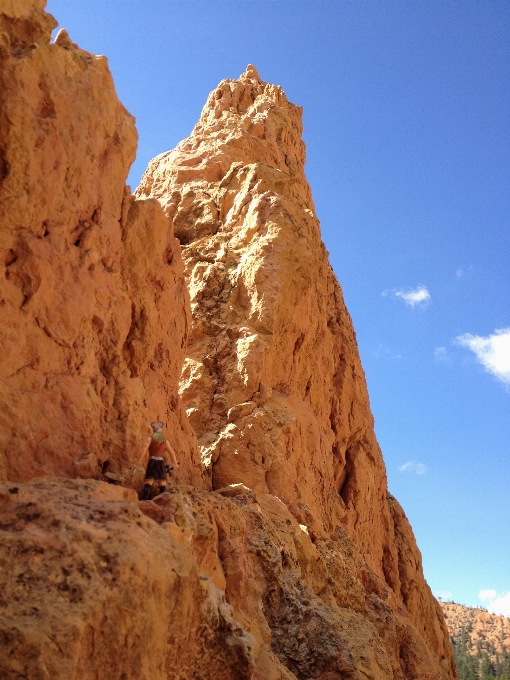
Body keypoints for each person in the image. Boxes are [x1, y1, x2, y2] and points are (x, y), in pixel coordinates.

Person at [139, 421, 179, 500]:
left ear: (154, 431)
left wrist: (139, 459)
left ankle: (145, 499)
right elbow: (171, 452)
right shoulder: (165, 442)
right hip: (161, 463)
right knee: (162, 482)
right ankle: (163, 501)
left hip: (153, 462)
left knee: (149, 481)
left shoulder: (150, 439)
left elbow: (144, 449)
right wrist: (175, 462)